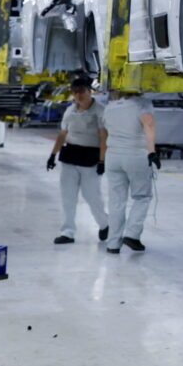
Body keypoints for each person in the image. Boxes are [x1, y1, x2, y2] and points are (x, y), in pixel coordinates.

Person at [97, 85, 160, 255]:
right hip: (136, 155)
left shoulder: (109, 108)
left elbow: (104, 133)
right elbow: (149, 125)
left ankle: (113, 244)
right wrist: (152, 152)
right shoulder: (143, 104)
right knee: (142, 196)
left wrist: (101, 159)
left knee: (116, 200)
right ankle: (132, 234)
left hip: (113, 157)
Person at [48, 74, 108, 245]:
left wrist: (103, 161)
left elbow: (104, 137)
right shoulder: (70, 110)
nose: (78, 95)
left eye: (81, 91)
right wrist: (52, 155)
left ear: (90, 92)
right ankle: (67, 231)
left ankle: (105, 224)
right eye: (75, 92)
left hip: (90, 158)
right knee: (67, 196)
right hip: (70, 156)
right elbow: (62, 134)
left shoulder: (100, 111)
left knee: (92, 196)